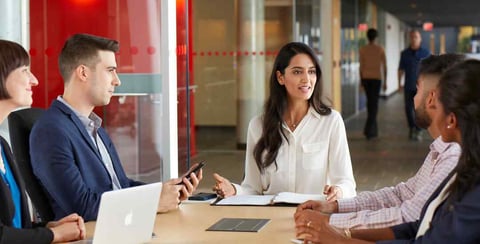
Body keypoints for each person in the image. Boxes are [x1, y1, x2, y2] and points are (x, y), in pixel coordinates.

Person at [294, 59, 480, 243]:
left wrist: (336, 231)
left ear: (451, 120)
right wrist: (337, 219)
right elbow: (412, 219)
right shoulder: (459, 161)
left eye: (438, 102)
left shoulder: (457, 163)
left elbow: (412, 222)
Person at [30, 33, 202, 222]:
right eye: (110, 70)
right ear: (83, 73)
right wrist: (154, 202)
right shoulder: (51, 131)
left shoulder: (95, 128)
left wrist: (167, 192)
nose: (117, 80)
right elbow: (81, 206)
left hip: (121, 226)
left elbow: (120, 187)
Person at [213, 42, 356, 201]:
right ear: (280, 77)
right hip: (270, 217)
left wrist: (338, 190)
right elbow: (252, 189)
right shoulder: (258, 126)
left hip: (314, 217)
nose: (306, 79)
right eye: (297, 72)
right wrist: (234, 190)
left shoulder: (331, 122)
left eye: (311, 72)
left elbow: (347, 183)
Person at [0, 39, 86, 243]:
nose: (34, 80)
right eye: (24, 70)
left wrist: (46, 227)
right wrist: (53, 235)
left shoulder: (2, 146)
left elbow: (12, 225)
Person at [398, 30, 430, 141]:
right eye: (412, 37)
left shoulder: (426, 53)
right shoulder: (404, 53)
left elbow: (430, 70)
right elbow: (400, 69)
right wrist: (399, 84)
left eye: (416, 37)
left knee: (419, 110)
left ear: (420, 39)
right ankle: (412, 127)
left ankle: (419, 130)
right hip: (408, 86)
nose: (414, 39)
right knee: (408, 108)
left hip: (421, 88)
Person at [359, 28, 387, 140]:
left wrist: (361, 82)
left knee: (371, 103)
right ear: (376, 37)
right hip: (376, 79)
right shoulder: (380, 49)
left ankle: (372, 131)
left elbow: (361, 67)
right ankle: (369, 131)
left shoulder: (362, 50)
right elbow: (385, 66)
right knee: (373, 104)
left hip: (366, 78)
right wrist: (386, 81)